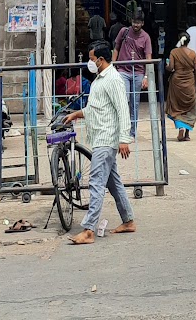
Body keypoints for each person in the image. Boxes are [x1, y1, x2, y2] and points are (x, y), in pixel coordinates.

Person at [63, 40, 136, 245]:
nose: (90, 62)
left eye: (92, 58)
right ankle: (128, 220)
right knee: (114, 183)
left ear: (101, 60)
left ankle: (88, 230)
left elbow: (123, 109)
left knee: (96, 183)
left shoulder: (113, 79)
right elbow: (97, 109)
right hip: (101, 138)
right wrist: (77, 114)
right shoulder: (99, 80)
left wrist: (124, 138)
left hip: (107, 139)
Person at [113, 8, 152, 137]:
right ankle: (122, 129)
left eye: (139, 22)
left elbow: (148, 57)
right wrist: (113, 66)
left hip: (138, 73)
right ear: (131, 21)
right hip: (122, 70)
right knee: (123, 99)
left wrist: (146, 76)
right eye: (134, 21)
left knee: (134, 102)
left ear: (143, 23)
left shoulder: (146, 37)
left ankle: (132, 132)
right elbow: (116, 48)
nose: (136, 24)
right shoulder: (124, 32)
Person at [166, 32, 196, 142]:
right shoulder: (193, 53)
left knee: (176, 106)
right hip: (190, 82)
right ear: (188, 41)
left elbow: (171, 68)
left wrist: (166, 66)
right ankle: (187, 134)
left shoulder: (174, 52)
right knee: (189, 108)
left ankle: (180, 127)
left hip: (177, 83)